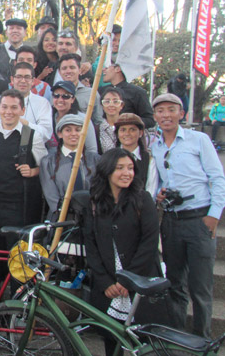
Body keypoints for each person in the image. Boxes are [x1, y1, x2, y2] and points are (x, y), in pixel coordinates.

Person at [151, 93, 225, 338]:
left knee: (201, 286)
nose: (166, 115)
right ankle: (177, 337)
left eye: (171, 110)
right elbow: (159, 179)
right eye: (160, 111)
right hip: (171, 220)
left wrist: (214, 215)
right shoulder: (156, 145)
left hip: (199, 219)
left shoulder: (199, 140)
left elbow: (217, 177)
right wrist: (159, 195)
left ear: (181, 114)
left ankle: (203, 340)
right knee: (174, 283)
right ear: (155, 116)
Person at [0, 89, 48, 307]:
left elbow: (46, 166)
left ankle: (17, 311)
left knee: (18, 262)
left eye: (14, 107)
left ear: (22, 110)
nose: (9, 111)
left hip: (19, 208)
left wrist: (33, 171)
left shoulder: (33, 134)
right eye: (5, 107)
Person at [84, 148, 164, 355]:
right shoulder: (94, 202)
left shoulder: (143, 199)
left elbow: (149, 243)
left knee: (144, 342)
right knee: (111, 338)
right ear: (107, 171)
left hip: (138, 281)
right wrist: (105, 282)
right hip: (109, 283)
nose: (126, 172)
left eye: (130, 168)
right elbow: (91, 245)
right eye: (119, 168)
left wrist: (128, 280)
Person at [40, 114, 100, 221]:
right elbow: (51, 194)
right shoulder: (48, 162)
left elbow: (99, 188)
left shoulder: (95, 160)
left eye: (78, 130)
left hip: (92, 214)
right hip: (62, 217)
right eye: (68, 130)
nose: (73, 134)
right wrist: (64, 211)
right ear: (60, 133)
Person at [0, 62, 53, 143]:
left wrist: (26, 124)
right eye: (19, 77)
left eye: (27, 77)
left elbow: (46, 133)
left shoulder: (42, 103)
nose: (23, 81)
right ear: (12, 80)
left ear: (33, 81)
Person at [115, 113, 158, 197]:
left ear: (141, 133)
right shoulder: (110, 158)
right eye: (123, 130)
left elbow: (151, 191)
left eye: (132, 129)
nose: (127, 133)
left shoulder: (149, 160)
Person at [49, 80, 98, 153]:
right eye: (56, 95)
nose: (60, 100)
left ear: (73, 99)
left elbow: (92, 149)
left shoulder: (83, 119)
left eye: (66, 96)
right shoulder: (48, 118)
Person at [101, 63, 155, 128]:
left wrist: (129, 122)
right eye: (107, 101)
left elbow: (150, 120)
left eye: (107, 67)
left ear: (117, 68)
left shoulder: (137, 92)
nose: (103, 70)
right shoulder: (101, 91)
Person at [58, 54, 103, 125]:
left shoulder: (91, 94)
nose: (68, 71)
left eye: (72, 67)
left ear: (79, 70)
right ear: (59, 72)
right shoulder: (55, 94)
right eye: (64, 68)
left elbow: (98, 121)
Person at [98, 86, 125, 153]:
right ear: (102, 105)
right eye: (107, 101)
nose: (111, 105)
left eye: (115, 101)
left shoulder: (127, 125)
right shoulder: (98, 129)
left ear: (121, 105)